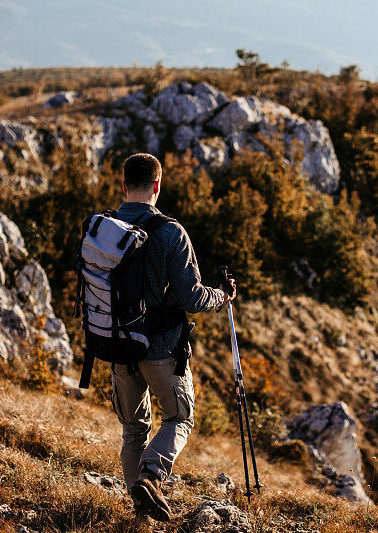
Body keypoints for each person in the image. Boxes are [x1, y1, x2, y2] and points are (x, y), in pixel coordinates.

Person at [111, 153, 236, 521]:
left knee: (133, 429)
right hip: (161, 347)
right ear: (157, 185)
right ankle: (151, 475)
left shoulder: (105, 226)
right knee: (179, 419)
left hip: (117, 344)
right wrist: (223, 294)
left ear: (123, 186)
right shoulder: (170, 232)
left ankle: (140, 514)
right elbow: (190, 297)